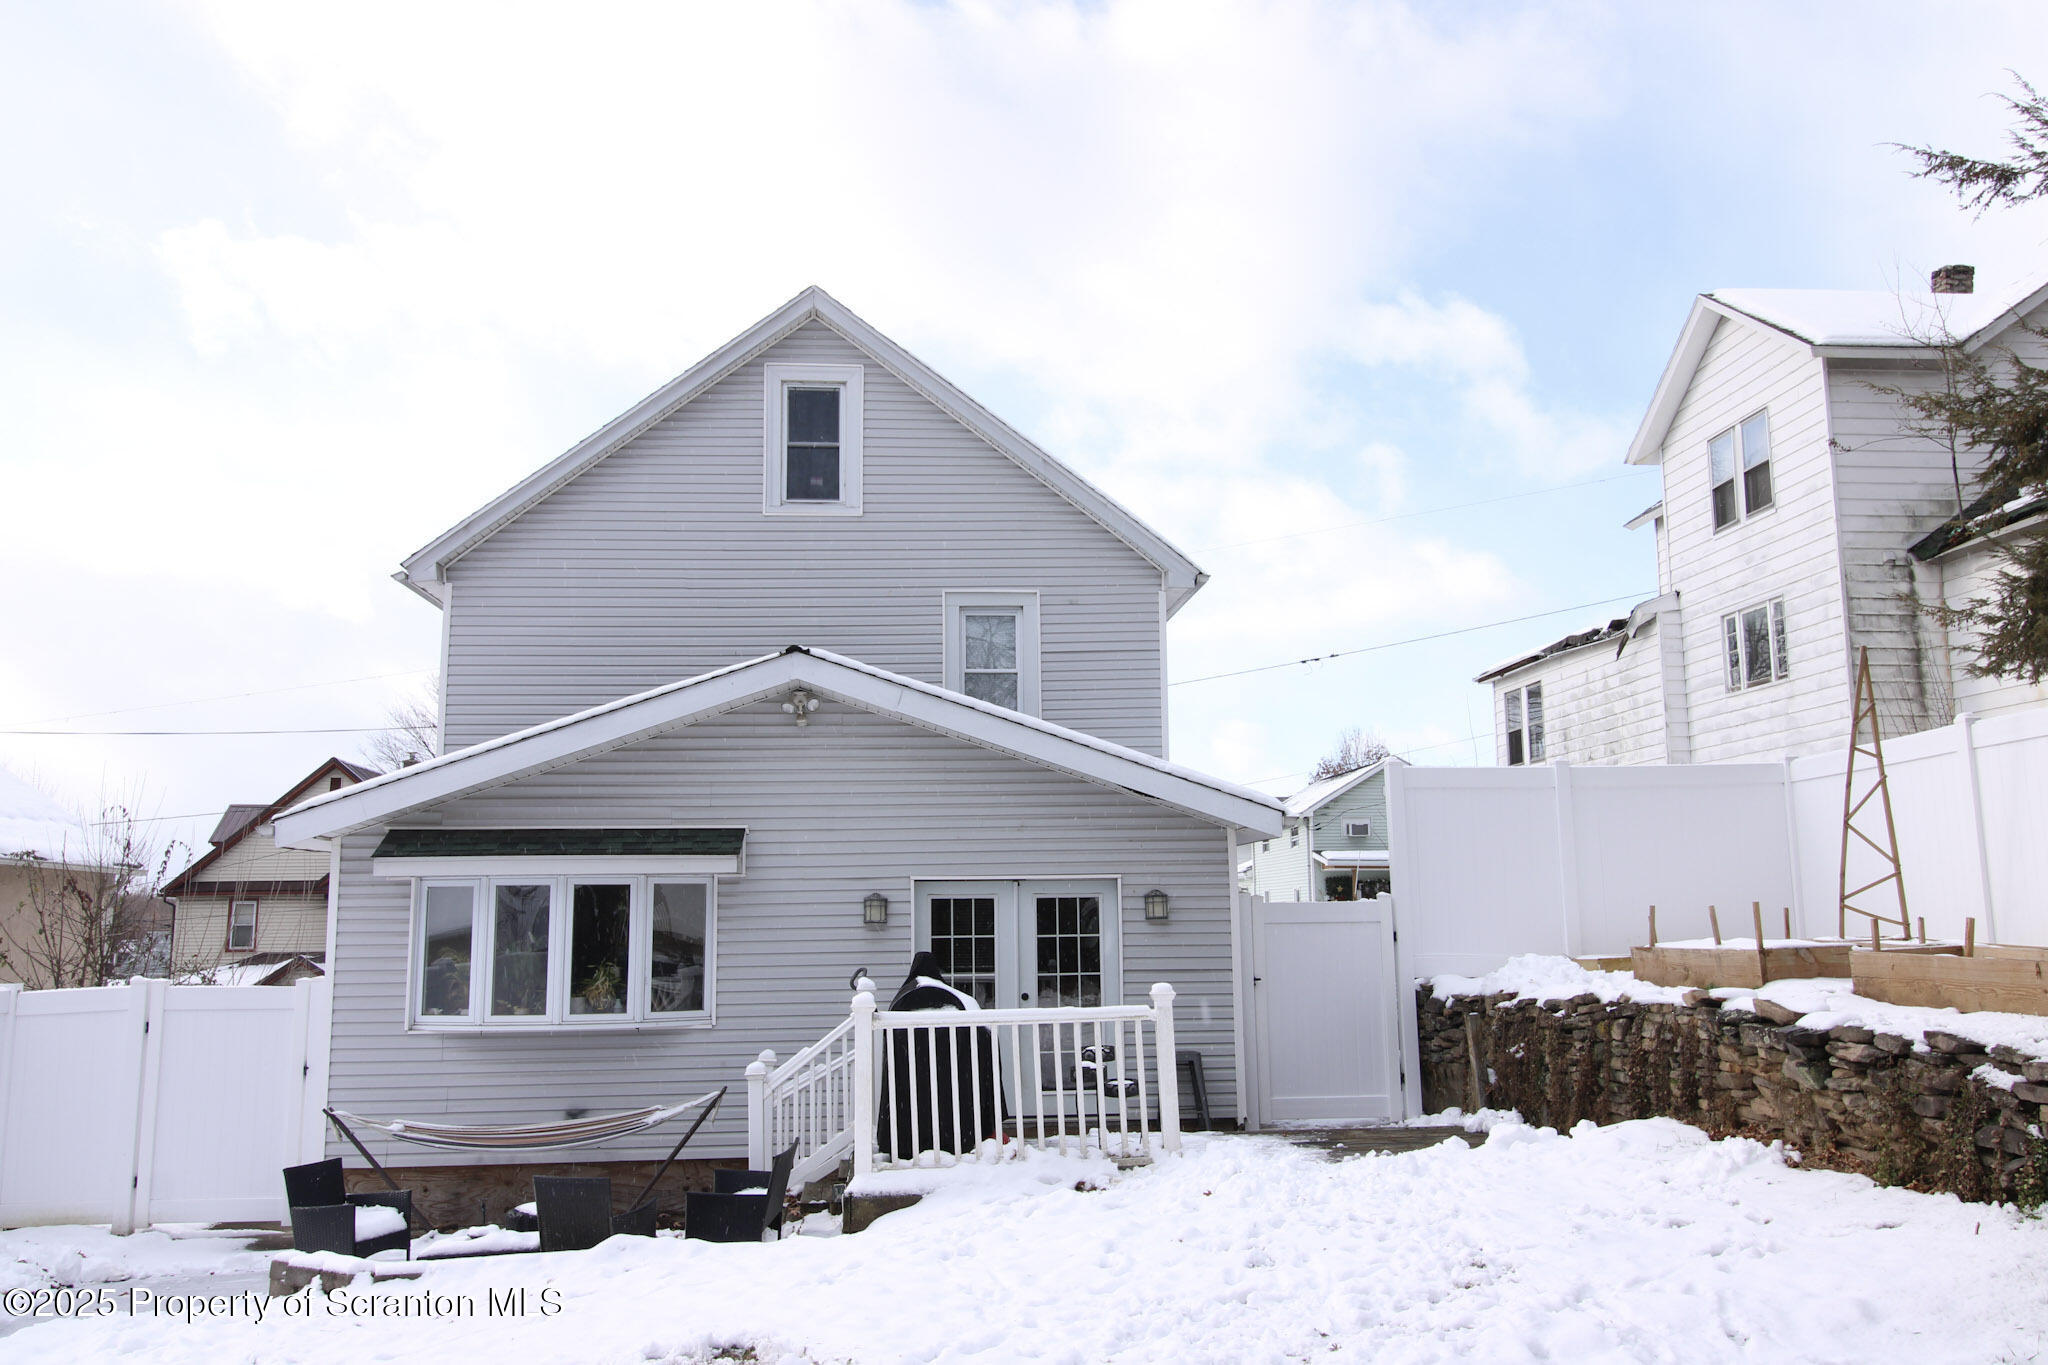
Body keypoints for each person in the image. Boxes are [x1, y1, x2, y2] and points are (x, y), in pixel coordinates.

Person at [876, 952, 1006, 1158]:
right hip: (953, 1072)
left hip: (913, 1074)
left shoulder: (905, 998)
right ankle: (960, 1138)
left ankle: (907, 1143)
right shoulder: (955, 1000)